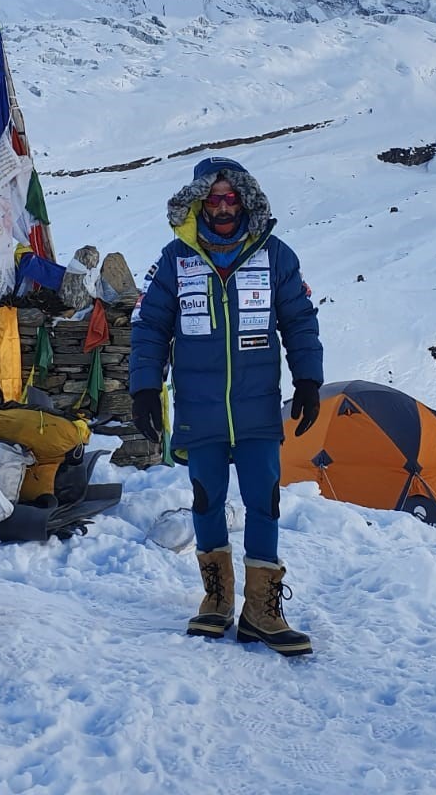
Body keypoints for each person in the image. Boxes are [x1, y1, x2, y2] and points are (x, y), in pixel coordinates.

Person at [129, 157, 324, 656]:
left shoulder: (275, 256)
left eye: (229, 198)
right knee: (206, 499)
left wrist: (308, 379)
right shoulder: (176, 260)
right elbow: (151, 327)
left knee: (265, 501)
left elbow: (299, 319)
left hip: (257, 408)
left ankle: (261, 611)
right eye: (212, 199)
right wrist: (145, 388)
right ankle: (216, 599)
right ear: (199, 202)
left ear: (245, 200)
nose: (220, 207)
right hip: (200, 406)